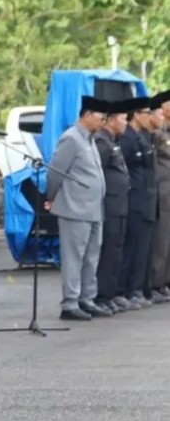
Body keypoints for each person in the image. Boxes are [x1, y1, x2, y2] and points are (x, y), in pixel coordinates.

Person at [47, 95, 108, 321]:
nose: (103, 122)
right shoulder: (71, 138)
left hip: (93, 209)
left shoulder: (90, 138)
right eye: (101, 117)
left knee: (91, 257)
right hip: (74, 208)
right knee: (74, 257)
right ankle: (70, 303)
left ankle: (86, 299)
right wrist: (51, 197)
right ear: (87, 115)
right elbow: (55, 172)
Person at [118, 98, 159, 308]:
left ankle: (138, 288)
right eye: (145, 112)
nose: (149, 116)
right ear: (135, 114)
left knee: (143, 248)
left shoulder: (143, 137)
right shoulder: (127, 139)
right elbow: (123, 169)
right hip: (135, 200)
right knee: (133, 247)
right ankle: (128, 290)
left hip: (147, 199)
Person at [93, 100, 130, 314]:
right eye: (123, 119)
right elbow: (98, 175)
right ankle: (101, 295)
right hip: (109, 205)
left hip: (120, 205)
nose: (125, 123)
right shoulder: (102, 142)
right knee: (107, 252)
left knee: (116, 251)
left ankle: (110, 294)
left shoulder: (112, 141)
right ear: (112, 120)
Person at [150, 90, 170, 298]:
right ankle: (156, 283)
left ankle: (166, 281)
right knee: (161, 241)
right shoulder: (158, 132)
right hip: (162, 192)